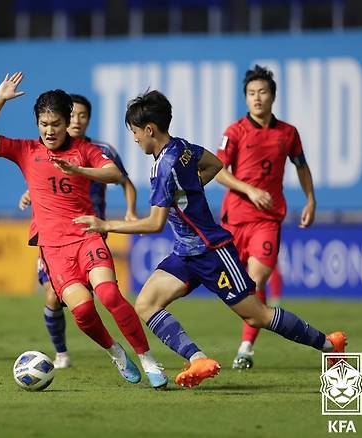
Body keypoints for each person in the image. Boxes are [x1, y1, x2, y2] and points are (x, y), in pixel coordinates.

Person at [74, 90, 346, 388]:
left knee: (257, 316)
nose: (136, 139)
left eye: (136, 132)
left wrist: (104, 224)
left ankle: (330, 346)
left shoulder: (163, 169)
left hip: (212, 250)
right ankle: (197, 359)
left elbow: (154, 223)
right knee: (147, 303)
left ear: (149, 129)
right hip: (186, 252)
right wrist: (189, 190)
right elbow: (215, 164)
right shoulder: (183, 147)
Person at [0, 72, 167, 388]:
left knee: (109, 295)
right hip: (53, 248)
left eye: (56, 124)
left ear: (68, 123)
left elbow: (113, 174)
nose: (50, 131)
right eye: (44, 124)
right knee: (83, 311)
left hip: (86, 236)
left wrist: (78, 170)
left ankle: (148, 359)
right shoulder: (25, 150)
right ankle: (116, 352)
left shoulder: (84, 151)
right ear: (38, 123)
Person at [18, 93, 138, 369]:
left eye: (83, 116)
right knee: (52, 295)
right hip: (54, 236)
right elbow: (45, 179)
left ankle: (124, 350)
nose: (77, 121)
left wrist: (131, 211)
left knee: (97, 295)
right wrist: (29, 194)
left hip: (90, 231)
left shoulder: (97, 150)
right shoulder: (47, 149)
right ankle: (61, 353)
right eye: (73, 116)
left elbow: (124, 182)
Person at [215, 65, 316, 370]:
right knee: (233, 285)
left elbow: (301, 165)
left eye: (262, 93)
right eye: (251, 93)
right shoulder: (234, 132)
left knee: (256, 280)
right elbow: (218, 171)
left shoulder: (288, 133)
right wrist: (249, 189)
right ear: (245, 98)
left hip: (267, 220)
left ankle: (245, 348)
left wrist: (310, 199)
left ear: (272, 96)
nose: (257, 98)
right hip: (234, 220)